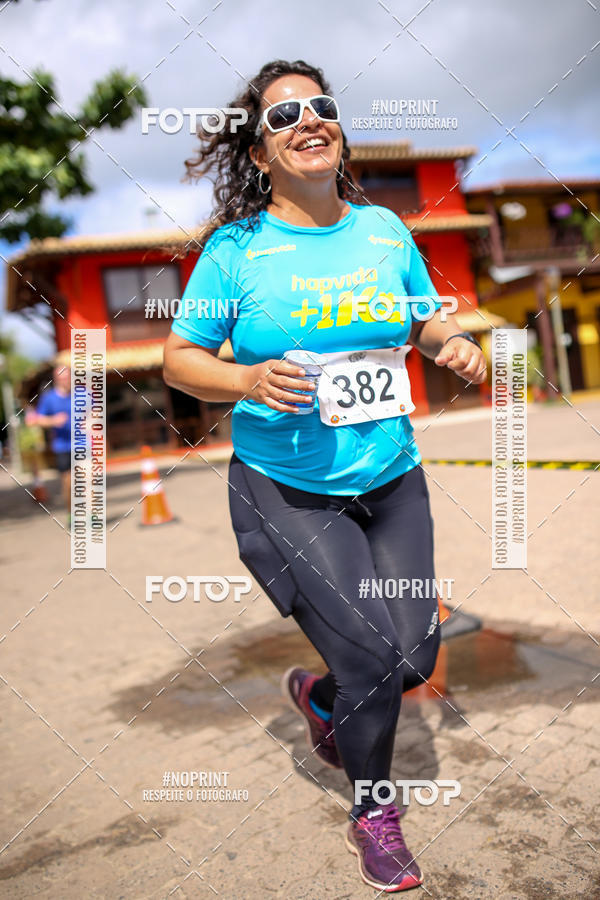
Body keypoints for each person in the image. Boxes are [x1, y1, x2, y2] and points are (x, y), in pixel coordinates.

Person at [164, 59, 486, 893]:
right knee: (372, 663)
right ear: (260, 152)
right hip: (287, 487)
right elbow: (180, 359)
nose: (308, 120)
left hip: (391, 476)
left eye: (321, 106)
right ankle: (374, 812)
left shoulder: (383, 230)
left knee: (412, 656)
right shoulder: (236, 251)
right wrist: (244, 379)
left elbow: (423, 317)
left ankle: (319, 699)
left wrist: (451, 341)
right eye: (283, 116)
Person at [36, 365, 71, 519]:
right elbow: (38, 419)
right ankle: (72, 513)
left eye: (68, 377)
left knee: (87, 480)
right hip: (62, 446)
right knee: (69, 483)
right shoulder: (49, 398)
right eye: (63, 378)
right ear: (56, 380)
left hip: (83, 444)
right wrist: (53, 420)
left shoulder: (81, 394)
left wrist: (91, 422)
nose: (66, 381)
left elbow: (95, 411)